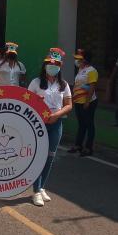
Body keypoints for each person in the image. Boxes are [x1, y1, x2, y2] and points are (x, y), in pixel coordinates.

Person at [27, 48, 73, 206]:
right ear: (45, 65)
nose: (52, 66)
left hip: (56, 123)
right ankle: (36, 191)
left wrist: (57, 115)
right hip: (39, 124)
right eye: (50, 64)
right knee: (39, 157)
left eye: (56, 64)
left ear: (60, 66)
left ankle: (42, 187)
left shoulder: (63, 84)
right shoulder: (36, 82)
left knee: (50, 157)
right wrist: (36, 100)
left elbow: (69, 105)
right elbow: (26, 102)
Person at [69, 48, 98, 156]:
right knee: (81, 124)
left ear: (85, 60)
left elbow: (92, 87)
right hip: (78, 102)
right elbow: (78, 86)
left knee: (89, 124)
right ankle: (78, 145)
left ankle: (89, 148)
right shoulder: (81, 70)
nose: (77, 61)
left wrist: (87, 101)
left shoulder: (92, 71)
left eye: (79, 59)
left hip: (88, 102)